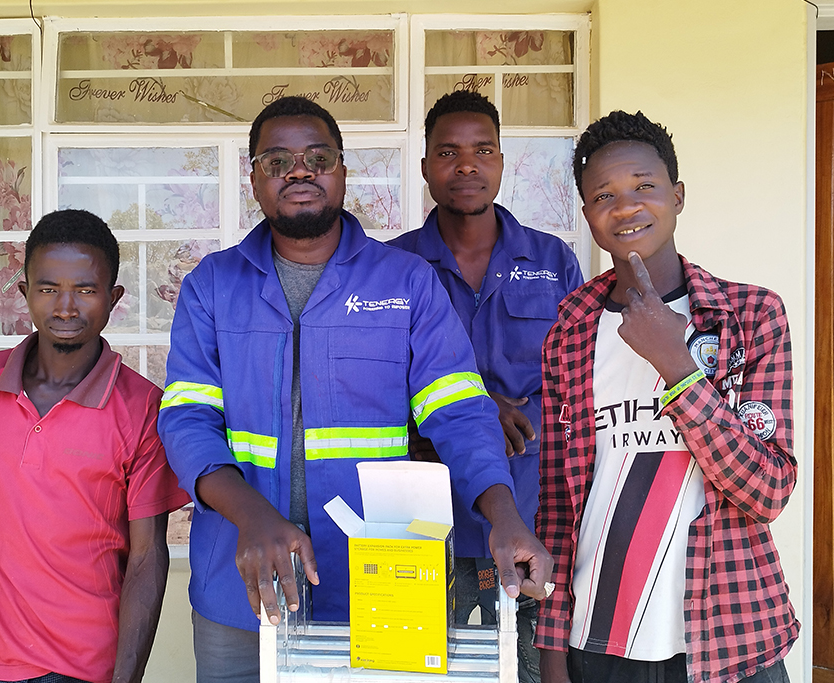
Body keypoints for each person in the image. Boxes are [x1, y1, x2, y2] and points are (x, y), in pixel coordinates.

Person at [157, 96, 554, 683]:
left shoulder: (406, 281)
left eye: (318, 156)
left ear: (342, 172)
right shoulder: (212, 285)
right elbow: (187, 420)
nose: (299, 171)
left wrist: (504, 514)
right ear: (254, 178)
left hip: (381, 584)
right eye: (277, 160)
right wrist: (254, 517)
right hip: (240, 584)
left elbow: (460, 413)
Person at [535, 111, 799, 683]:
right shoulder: (570, 331)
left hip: (728, 635)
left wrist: (677, 366)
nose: (626, 206)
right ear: (587, 216)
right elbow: (559, 505)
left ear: (677, 196)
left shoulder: (750, 316)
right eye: (604, 194)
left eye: (644, 187)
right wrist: (553, 652)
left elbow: (770, 489)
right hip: (598, 641)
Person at [0, 209, 191, 683]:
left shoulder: (142, 407)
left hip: (82, 668)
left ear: (113, 299)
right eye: (48, 289)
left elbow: (148, 557)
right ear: (25, 293)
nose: (66, 307)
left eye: (85, 290)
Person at [388, 90, 583, 683]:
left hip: (532, 515)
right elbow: (367, 379)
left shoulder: (554, 260)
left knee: (529, 670)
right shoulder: (391, 267)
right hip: (423, 519)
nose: (466, 165)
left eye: (483, 150)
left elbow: (577, 381)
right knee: (420, 670)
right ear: (424, 166)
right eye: (447, 152)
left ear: (501, 161)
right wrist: (470, 411)